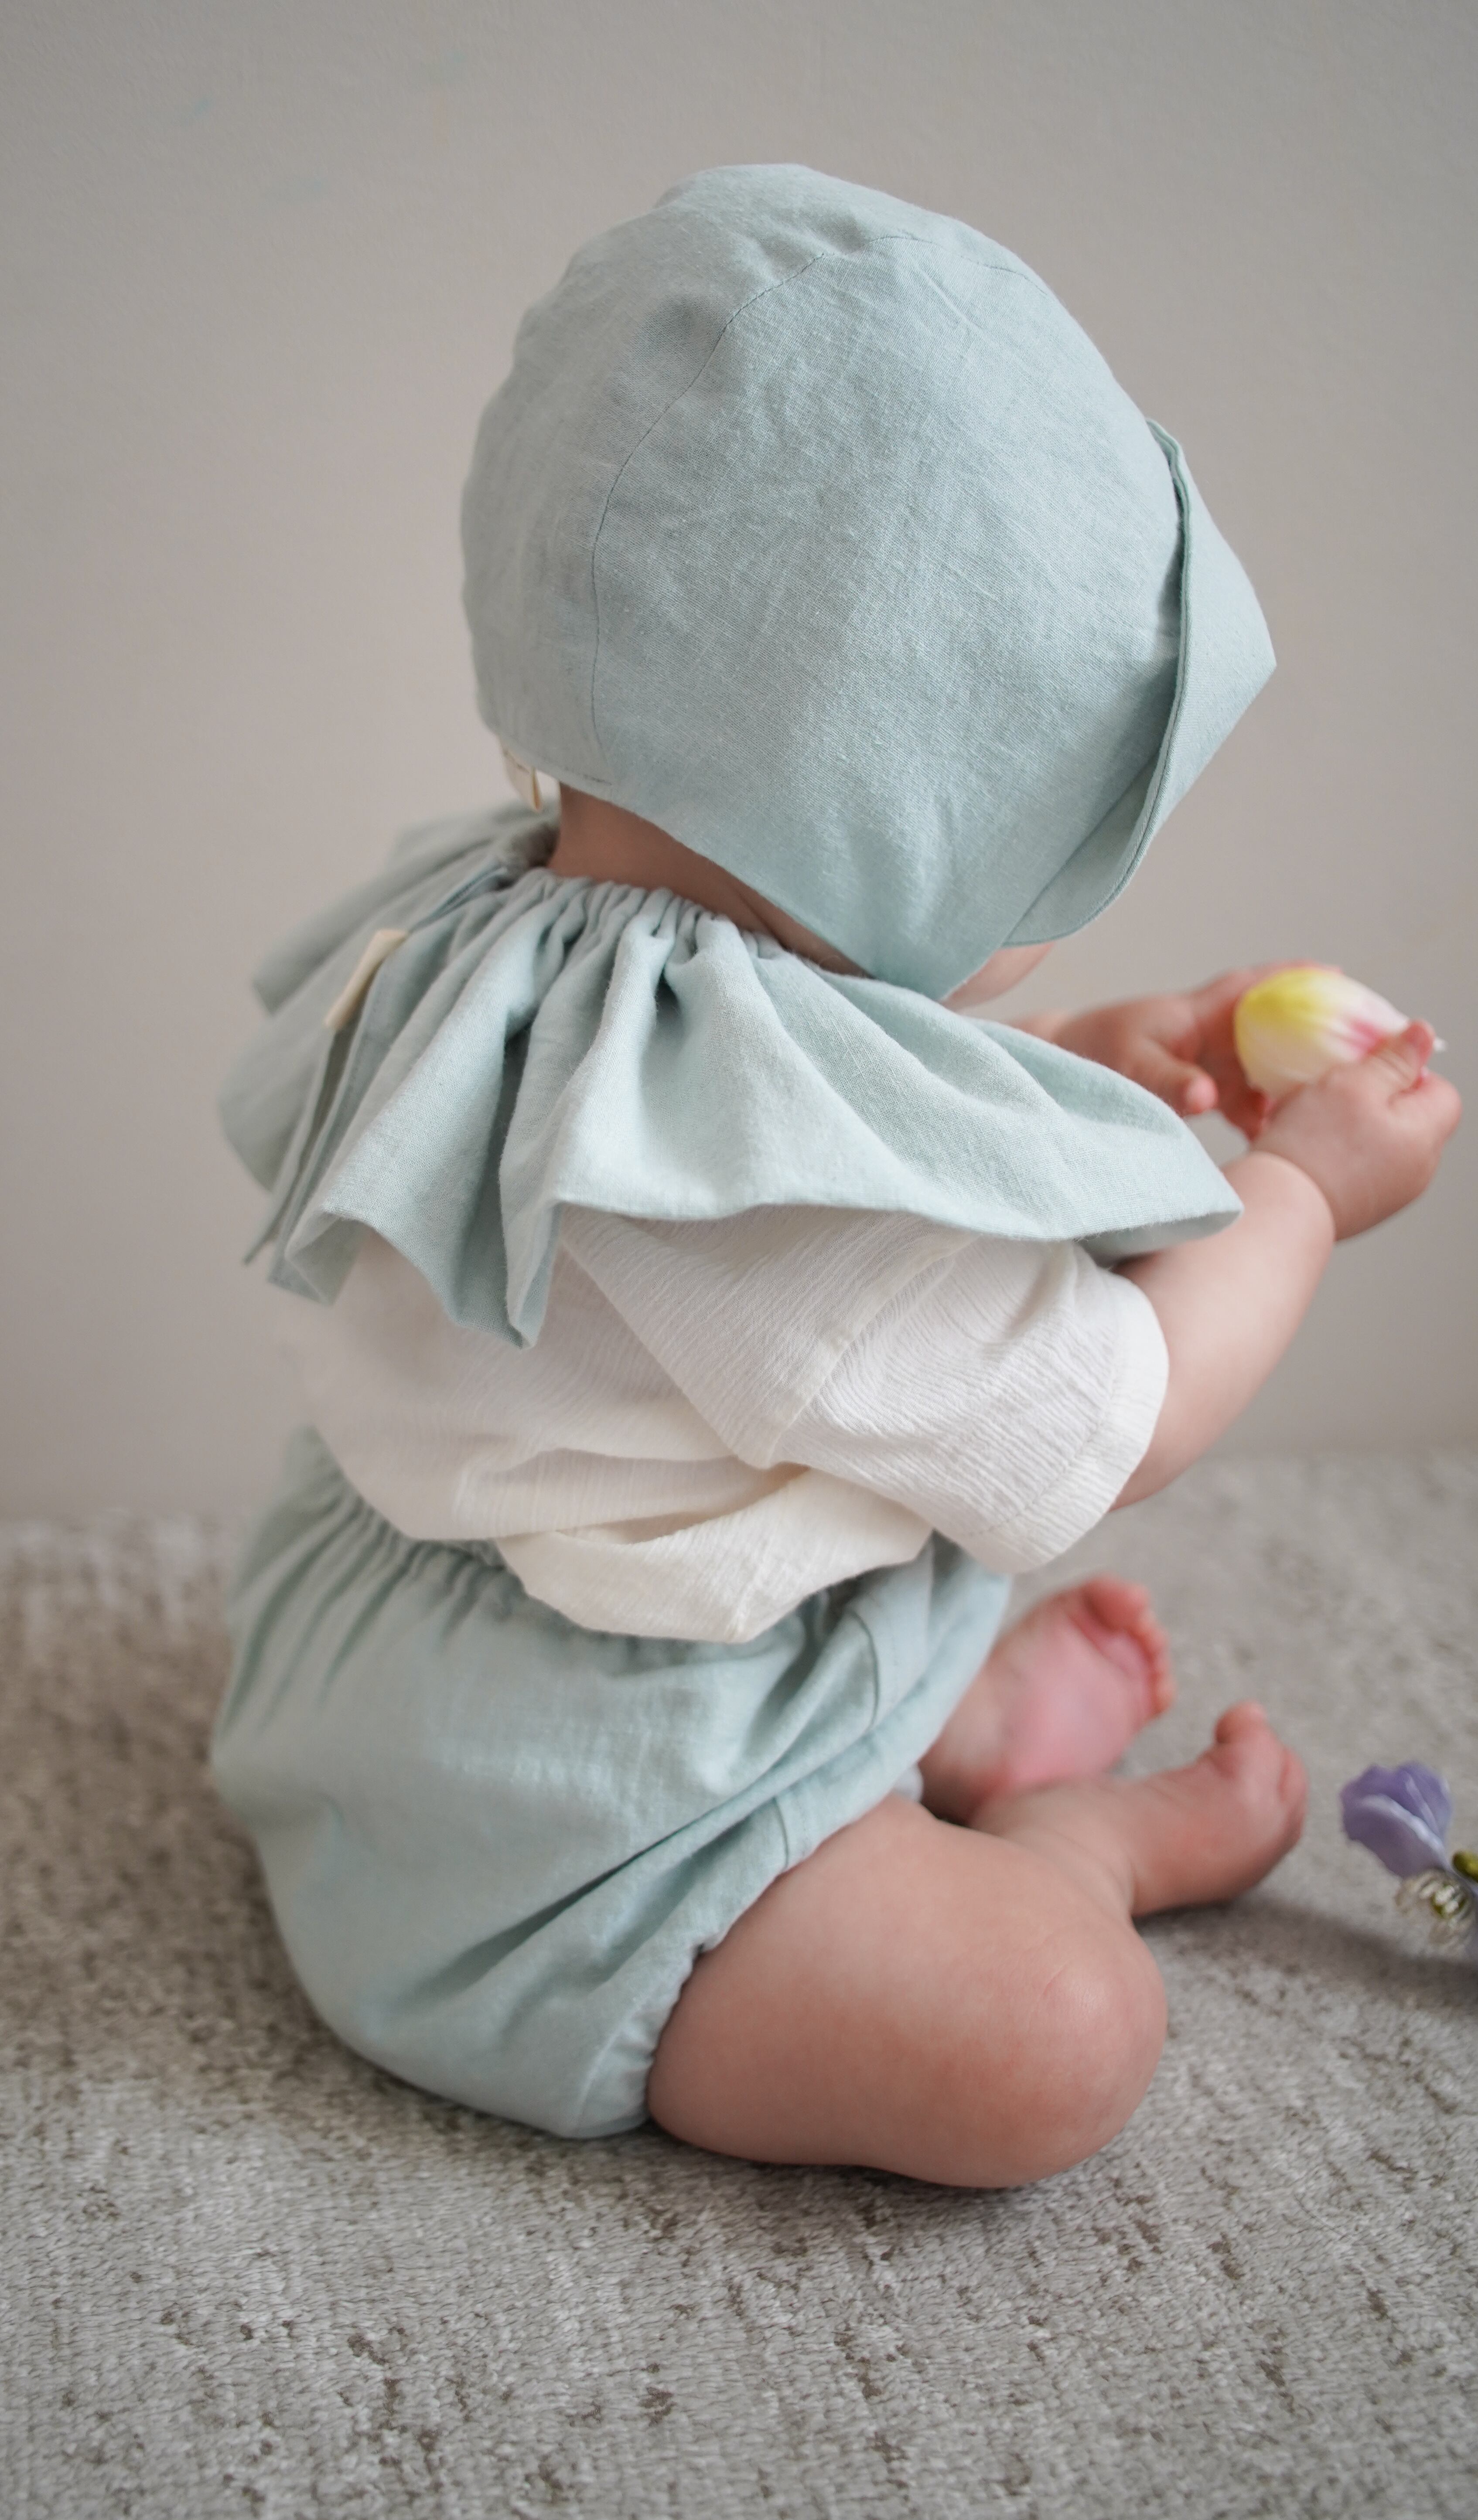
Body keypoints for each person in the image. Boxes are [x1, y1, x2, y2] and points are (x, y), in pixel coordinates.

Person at [213, 167, 1459, 2185]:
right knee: (1055, 2035)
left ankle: (921, 1734)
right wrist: (1304, 1192)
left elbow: (816, 1143)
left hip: (388, 1668)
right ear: (901, 814)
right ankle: (1058, 1837)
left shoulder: (502, 924)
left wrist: (1077, 1066)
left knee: (843, 1486)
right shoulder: (777, 1218)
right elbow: (1107, 1417)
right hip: (590, 1831)